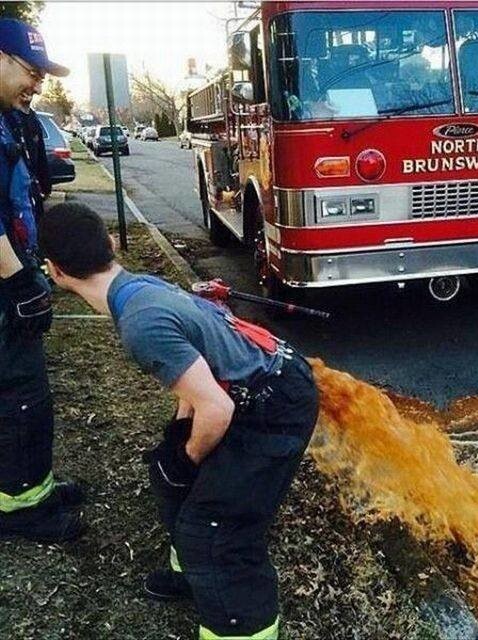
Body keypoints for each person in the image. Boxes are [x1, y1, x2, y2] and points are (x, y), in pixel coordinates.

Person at [39, 202, 319, 640]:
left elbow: (217, 409)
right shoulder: (137, 287)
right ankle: (192, 575)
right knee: (169, 475)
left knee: (216, 534)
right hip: (253, 389)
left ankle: (238, 622)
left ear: (53, 270)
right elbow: (198, 381)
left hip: (275, 406)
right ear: (111, 245)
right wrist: (178, 443)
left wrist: (189, 456)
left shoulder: (140, 322)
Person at [0, 18, 84, 542]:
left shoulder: (12, 120)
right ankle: (22, 510)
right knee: (21, 394)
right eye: (32, 71)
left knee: (22, 392)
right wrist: (19, 285)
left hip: (13, 270)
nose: (38, 84)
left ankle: (34, 486)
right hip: (4, 282)